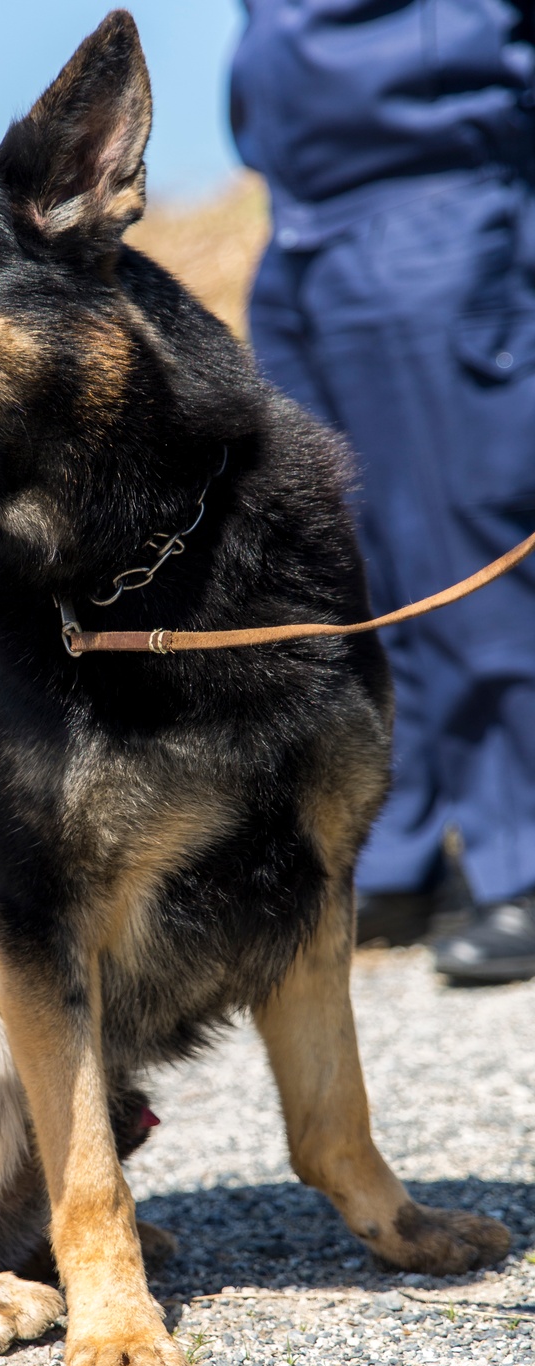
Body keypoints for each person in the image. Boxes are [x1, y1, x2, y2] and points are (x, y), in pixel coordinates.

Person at [230, 0, 535, 982]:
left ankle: (520, 859)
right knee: (344, 562)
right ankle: (399, 853)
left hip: (434, 200)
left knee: (462, 544)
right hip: (301, 220)